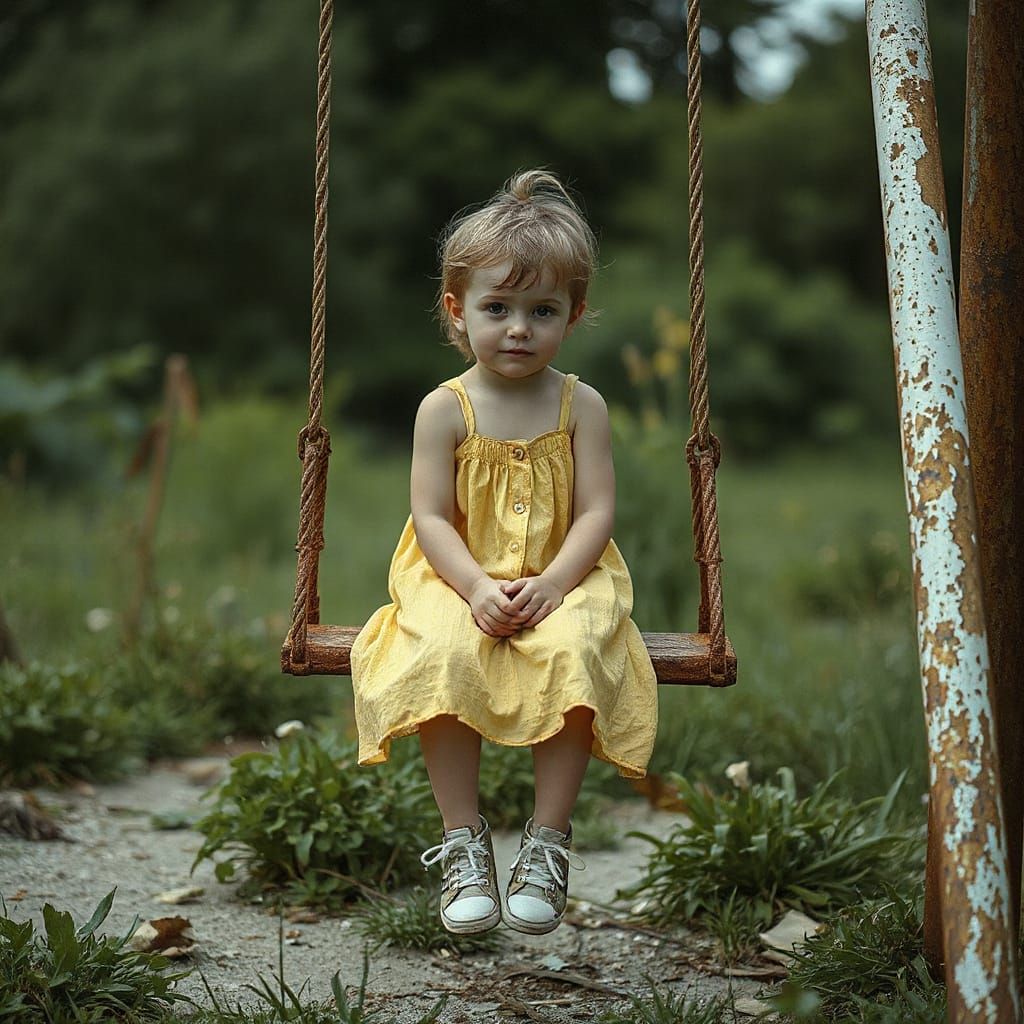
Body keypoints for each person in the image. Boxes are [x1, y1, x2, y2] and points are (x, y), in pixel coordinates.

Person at [350, 169, 658, 936]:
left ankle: (548, 844)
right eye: (497, 308)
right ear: (457, 312)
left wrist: (554, 584)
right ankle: (462, 841)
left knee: (579, 647)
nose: (518, 328)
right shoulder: (443, 408)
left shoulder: (581, 404)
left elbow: (597, 510)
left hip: (568, 570)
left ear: (574, 316)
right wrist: (476, 588)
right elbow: (429, 514)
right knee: (443, 653)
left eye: (542, 310)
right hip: (455, 574)